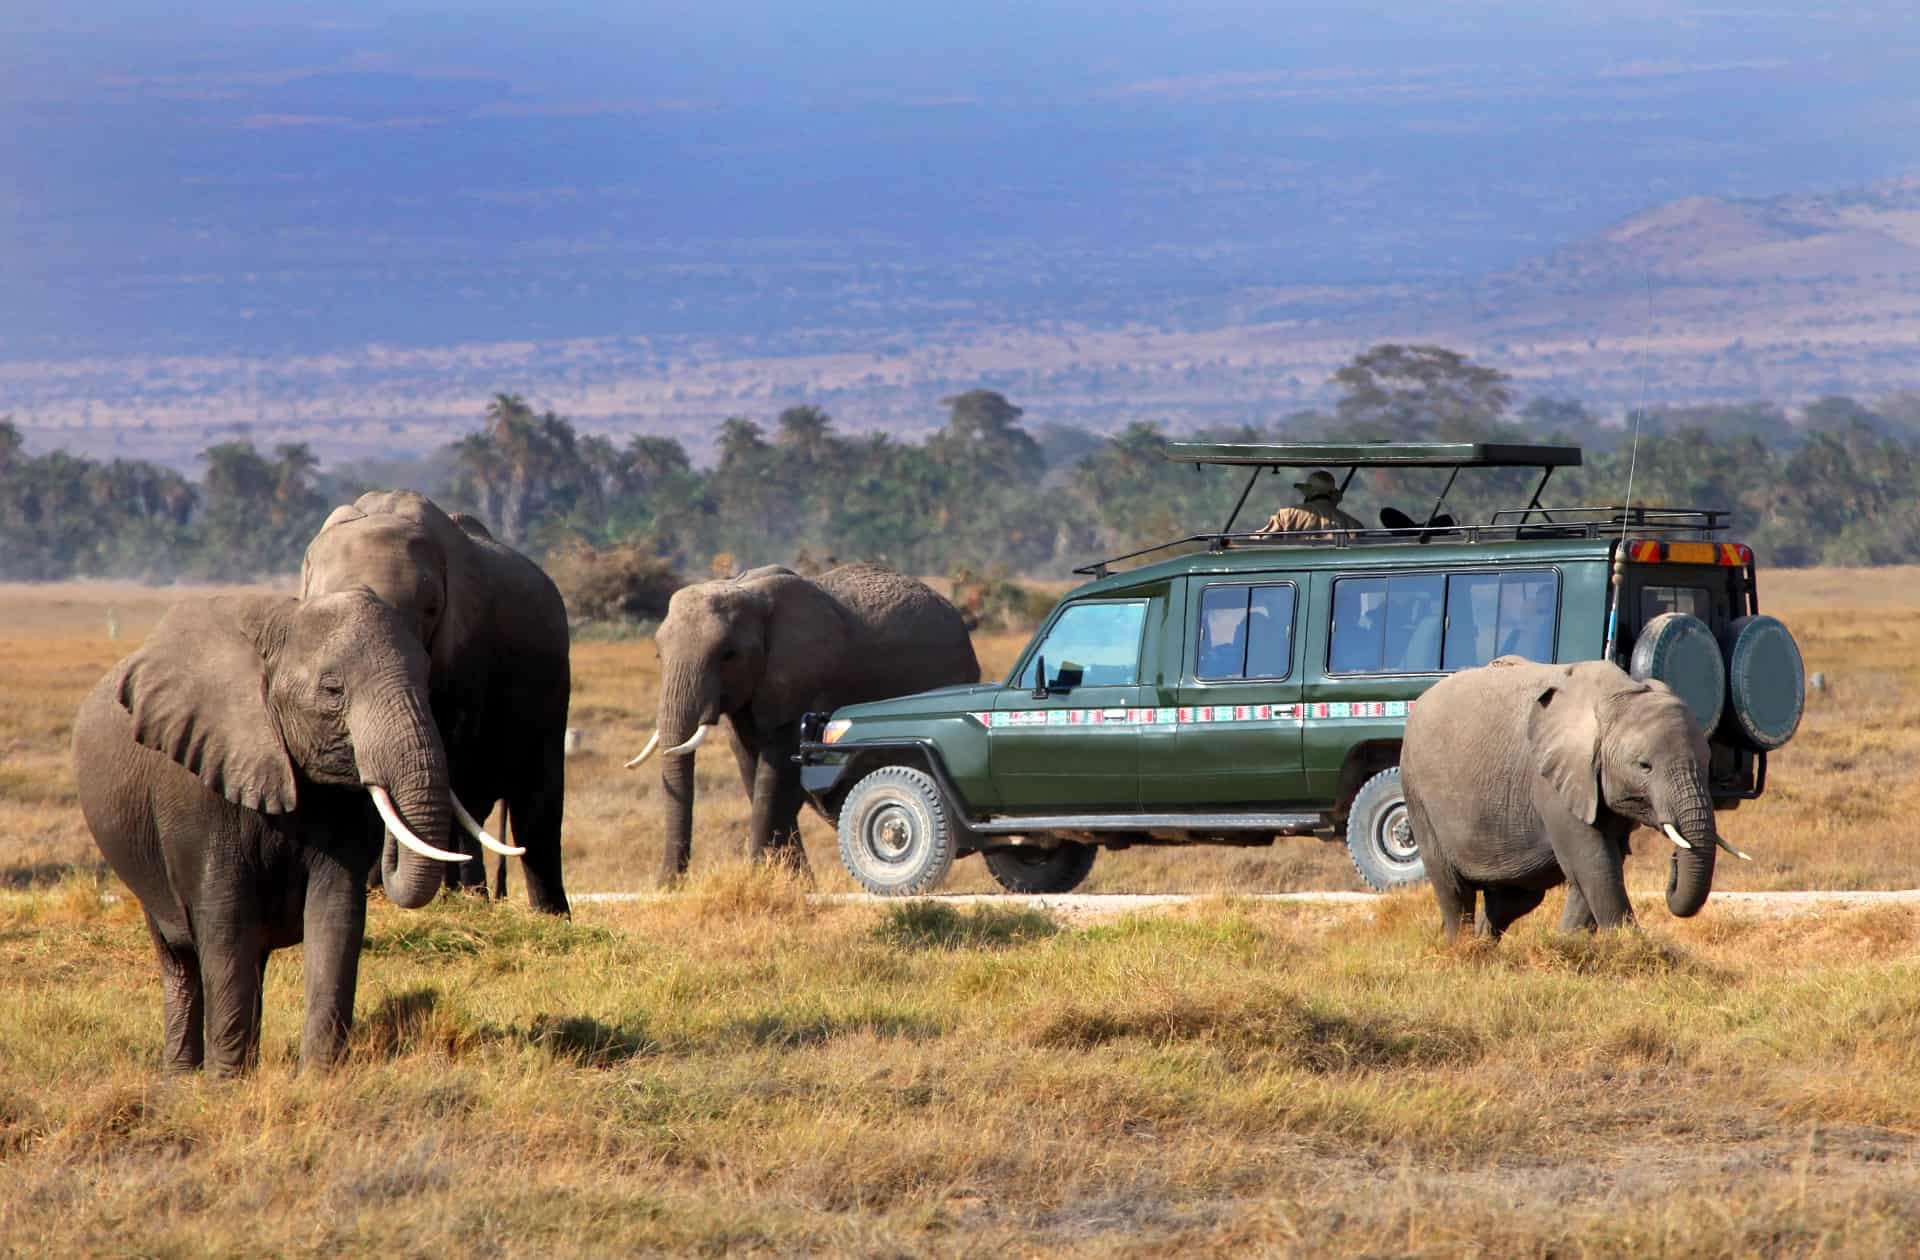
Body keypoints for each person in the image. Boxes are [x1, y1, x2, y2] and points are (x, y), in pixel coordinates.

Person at [1254, 470, 1363, 537]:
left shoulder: (1286, 516)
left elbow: (1258, 541)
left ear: (1308, 492)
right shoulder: (1353, 525)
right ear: (1334, 496)